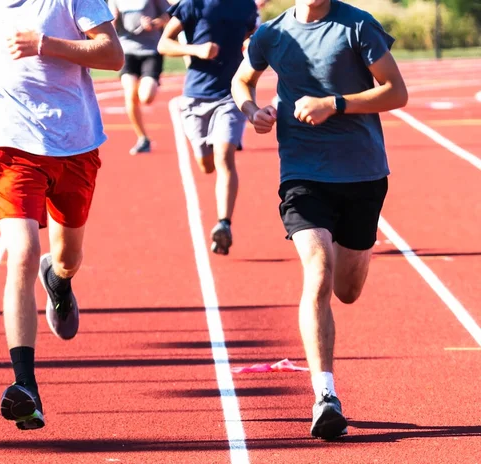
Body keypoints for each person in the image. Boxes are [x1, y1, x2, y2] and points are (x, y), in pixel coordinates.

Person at [231, 0, 408, 439]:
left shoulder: (358, 26)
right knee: (319, 270)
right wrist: (253, 112)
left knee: (347, 290)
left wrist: (335, 103)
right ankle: (325, 395)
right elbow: (241, 80)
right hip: (303, 174)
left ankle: (356, 260)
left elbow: (397, 92)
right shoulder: (271, 34)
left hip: (363, 173)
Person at [0, 0, 123, 430]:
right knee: (22, 252)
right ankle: (25, 386)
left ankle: (59, 280)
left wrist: (45, 43)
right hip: (11, 143)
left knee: (66, 259)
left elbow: (112, 55)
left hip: (74, 142)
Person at [158, 0, 258, 256]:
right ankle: (214, 151)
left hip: (231, 94)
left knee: (225, 157)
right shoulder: (193, 5)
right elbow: (164, 43)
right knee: (206, 165)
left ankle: (224, 223)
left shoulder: (245, 5)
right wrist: (196, 50)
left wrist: (251, 44)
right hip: (196, 97)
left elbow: (251, 33)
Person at [109, 0, 171, 155]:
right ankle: (142, 138)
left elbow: (169, 14)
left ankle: (151, 82)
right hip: (127, 50)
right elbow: (109, 24)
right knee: (130, 93)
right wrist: (113, 21)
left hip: (150, 51)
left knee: (146, 97)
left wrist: (155, 23)